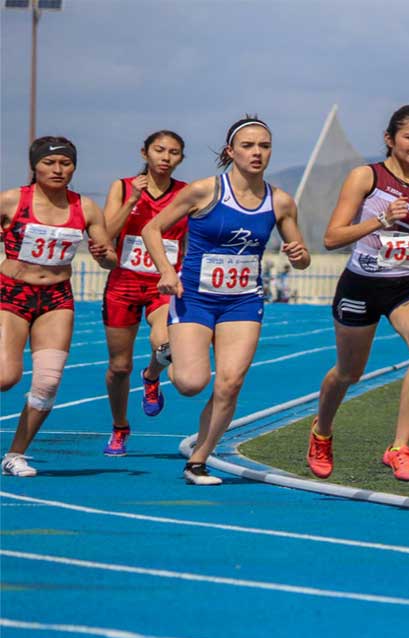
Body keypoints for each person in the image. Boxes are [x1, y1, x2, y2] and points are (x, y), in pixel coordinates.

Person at [142, 116, 310, 486]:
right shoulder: (204, 191)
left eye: (264, 146)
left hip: (243, 302)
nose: (257, 153)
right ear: (230, 151)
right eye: (248, 146)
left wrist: (299, 255)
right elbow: (151, 228)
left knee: (230, 383)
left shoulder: (280, 201)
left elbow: (301, 256)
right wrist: (167, 272)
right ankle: (161, 358)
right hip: (196, 297)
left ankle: (198, 461)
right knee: (190, 383)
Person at [306, 105, 409, 482]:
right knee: (349, 373)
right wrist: (380, 220)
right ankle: (321, 431)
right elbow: (331, 237)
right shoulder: (366, 177)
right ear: (390, 139)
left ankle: (399, 449)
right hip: (363, 284)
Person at [0, 137, 118, 477]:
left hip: (56, 298)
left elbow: (110, 258)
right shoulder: (13, 200)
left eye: (65, 163)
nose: (57, 169)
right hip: (13, 293)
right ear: (35, 166)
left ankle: (15, 454)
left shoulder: (85, 208)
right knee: (6, 377)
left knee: (48, 382)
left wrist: (103, 255)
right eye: (50, 163)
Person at [100, 130, 189, 457]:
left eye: (174, 152)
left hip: (163, 284)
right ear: (145, 153)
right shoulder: (122, 187)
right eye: (159, 150)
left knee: (163, 343)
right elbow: (105, 235)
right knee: (119, 367)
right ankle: (120, 426)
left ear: (180, 158)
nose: (166, 157)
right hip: (123, 285)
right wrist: (132, 202)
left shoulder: (186, 193)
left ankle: (152, 375)